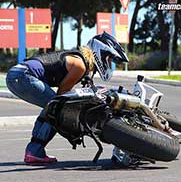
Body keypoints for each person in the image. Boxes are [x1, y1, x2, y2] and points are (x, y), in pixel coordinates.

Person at [6, 32, 129, 163]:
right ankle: (35, 151)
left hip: (17, 75)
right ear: (101, 53)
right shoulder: (80, 65)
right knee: (58, 109)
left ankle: (34, 151)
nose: (109, 64)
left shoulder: (79, 60)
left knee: (51, 107)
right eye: (109, 59)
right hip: (23, 76)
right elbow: (62, 92)